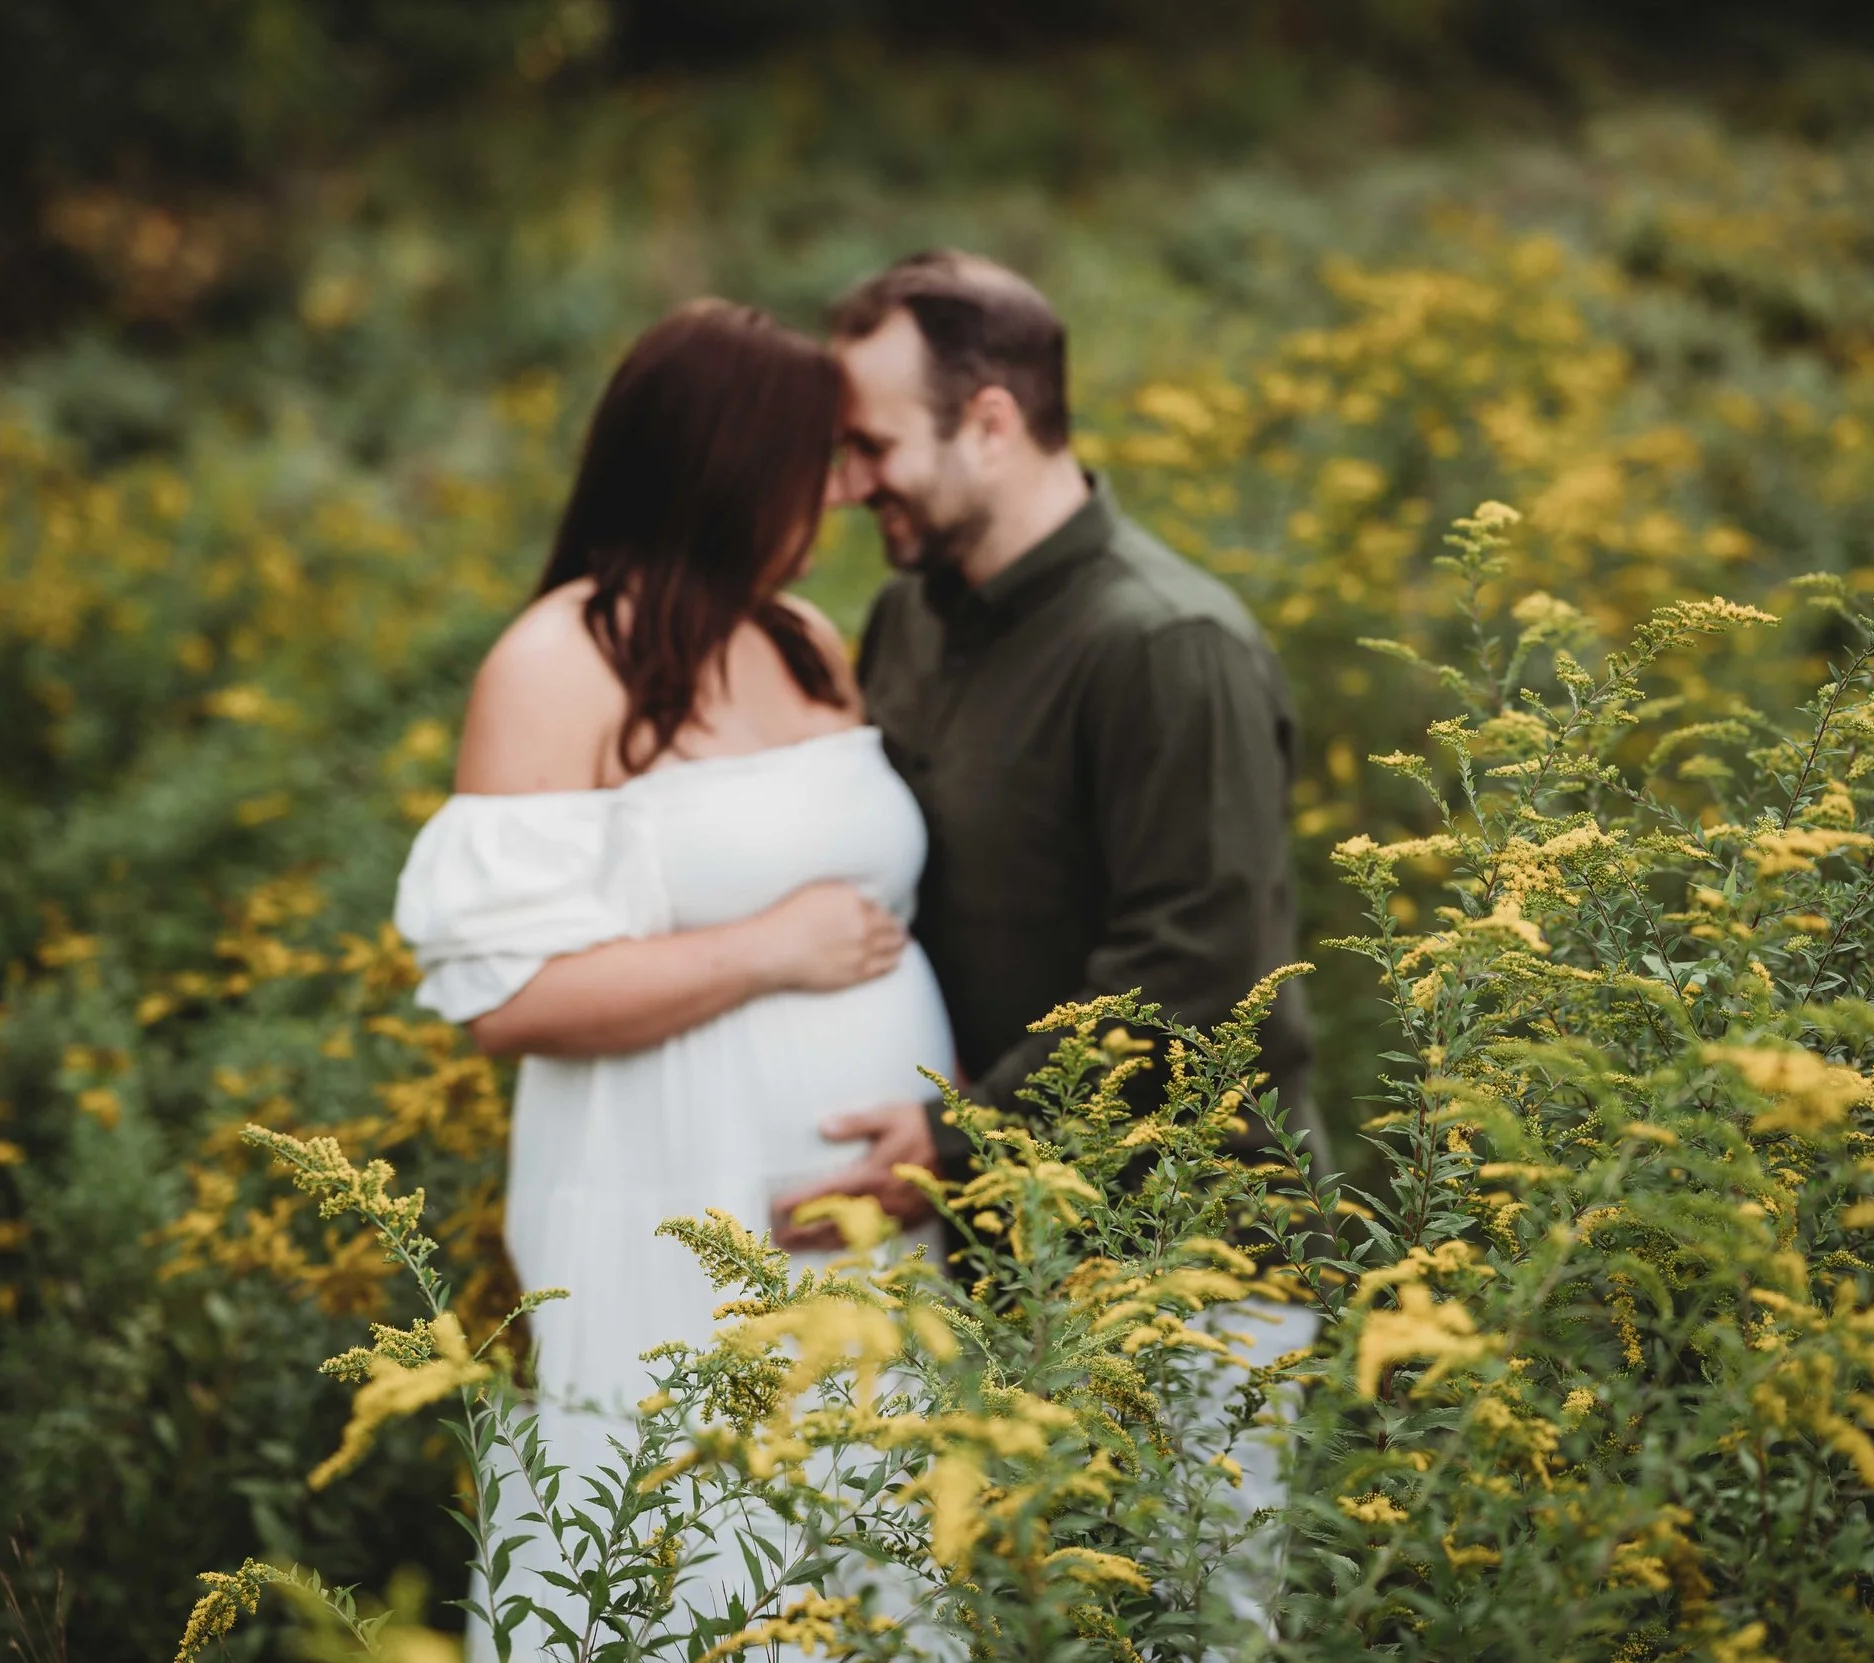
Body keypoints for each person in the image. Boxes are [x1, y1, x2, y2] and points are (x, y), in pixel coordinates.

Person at [390, 299, 956, 1657]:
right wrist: (769, 950)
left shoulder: (803, 636)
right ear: (724, 466)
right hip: (670, 1208)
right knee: (693, 1553)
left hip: (875, 1221)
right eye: (812, 463)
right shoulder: (557, 661)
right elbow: (505, 1000)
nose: (837, 492)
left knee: (877, 1559)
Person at [769, 253, 1322, 1557]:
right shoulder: (907, 616)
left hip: (1183, 1271)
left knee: (1182, 1634)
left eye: (872, 445)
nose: (846, 486)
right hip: (991, 1256)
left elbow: (1198, 972)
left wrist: (952, 1137)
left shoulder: (1164, 644)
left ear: (995, 421)